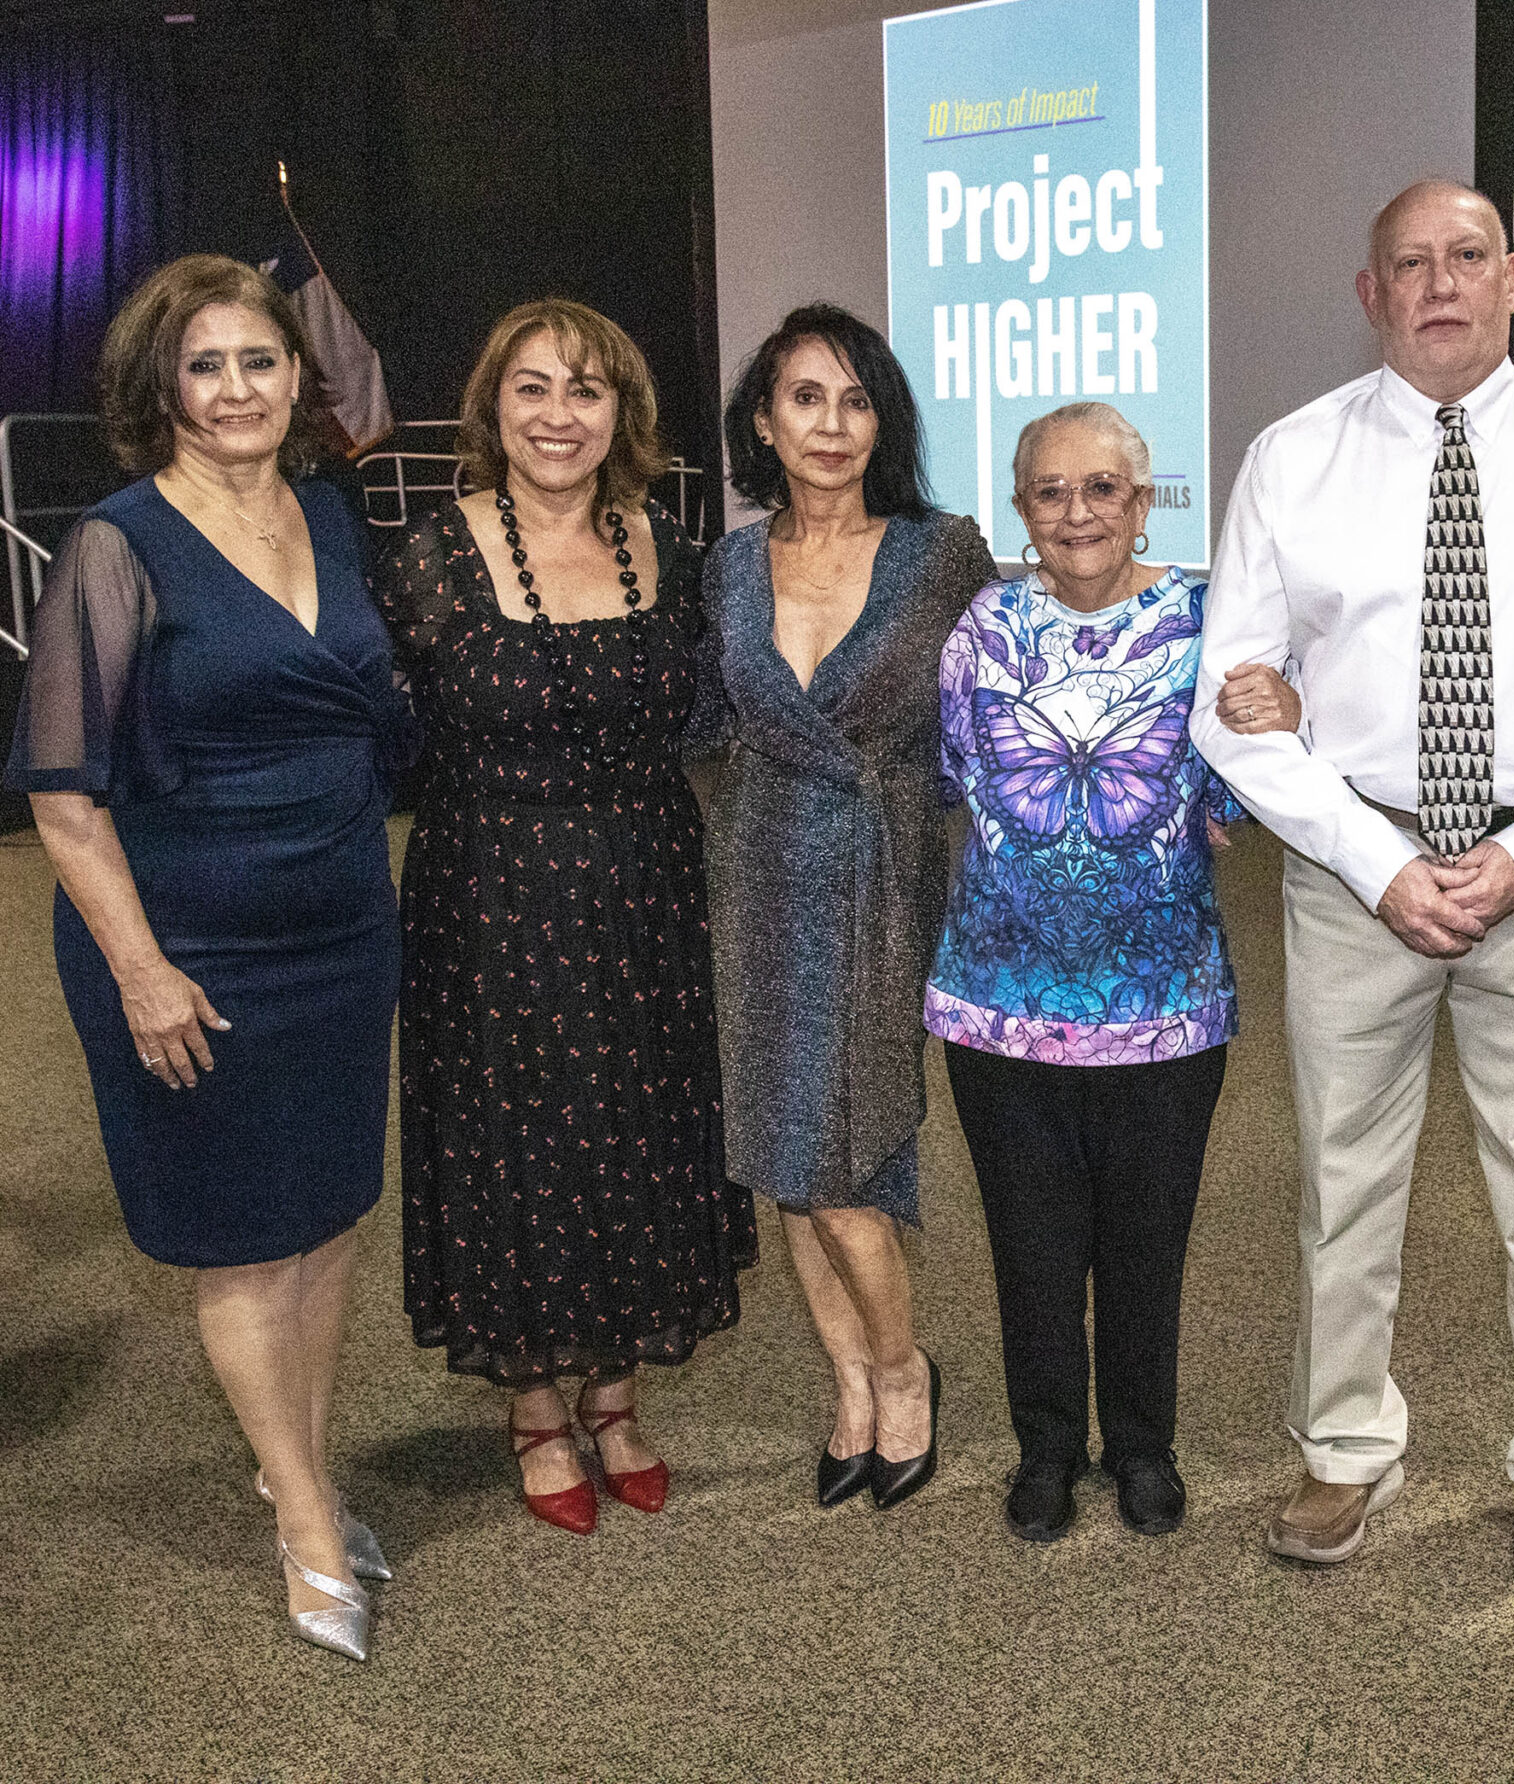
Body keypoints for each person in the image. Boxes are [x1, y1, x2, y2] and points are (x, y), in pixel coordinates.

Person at [1191, 179, 1514, 1603]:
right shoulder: (1291, 460)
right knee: (1343, 1182)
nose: (1439, 284)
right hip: (1355, 872)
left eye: (1466, 256)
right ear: (1370, 295)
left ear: (1513, 278)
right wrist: (1378, 860)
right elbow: (1233, 700)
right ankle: (1344, 1443)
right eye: (1407, 264)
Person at [5, 255, 414, 1660]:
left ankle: (295, 1464)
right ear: (162, 387)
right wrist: (139, 968)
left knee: (329, 1216)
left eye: (259, 360)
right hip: (189, 945)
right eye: (206, 365)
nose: (237, 389)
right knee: (242, 1245)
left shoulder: (328, 513)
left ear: (298, 376)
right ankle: (305, 1515)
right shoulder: (117, 544)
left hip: (342, 929)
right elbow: (65, 799)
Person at [376, 299, 756, 1535]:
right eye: (531, 388)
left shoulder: (672, 551)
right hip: (489, 897)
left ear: (621, 412)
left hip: (647, 892)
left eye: (585, 390)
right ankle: (536, 1404)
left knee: (636, 1129)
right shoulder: (428, 557)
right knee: (518, 1144)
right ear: (492, 407)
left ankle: (615, 1395)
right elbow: (371, 735)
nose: (558, 414)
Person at [930, 401, 1273, 1542]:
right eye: (1050, 491)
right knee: (1029, 1247)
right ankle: (1045, 1447)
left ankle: (1141, 1446)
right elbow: (954, 775)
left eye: (1101, 488)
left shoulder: (1204, 623)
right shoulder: (981, 628)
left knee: (1144, 1245)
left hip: (1164, 1007)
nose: (1077, 512)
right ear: (1019, 510)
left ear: (1142, 499)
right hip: (1002, 1008)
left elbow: (1236, 792)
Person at [689, 302, 996, 1512]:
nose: (831, 424)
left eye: (856, 399)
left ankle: (905, 1368)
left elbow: (1008, 700)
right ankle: (851, 1383)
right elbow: (699, 720)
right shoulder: (727, 565)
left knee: (845, 1161)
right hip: (757, 870)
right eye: (805, 398)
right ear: (763, 422)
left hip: (879, 872)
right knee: (784, 1149)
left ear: (885, 422)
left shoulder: (940, 552)